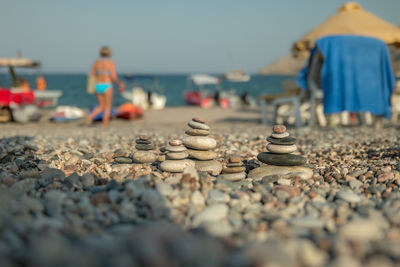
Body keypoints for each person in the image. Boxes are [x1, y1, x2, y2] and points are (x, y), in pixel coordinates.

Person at [87, 46, 125, 127]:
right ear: (109, 53)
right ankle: (105, 124)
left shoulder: (96, 62)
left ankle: (90, 116)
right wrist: (119, 83)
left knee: (101, 106)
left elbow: (92, 75)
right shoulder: (110, 63)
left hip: (98, 85)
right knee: (107, 107)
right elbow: (113, 76)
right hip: (107, 85)